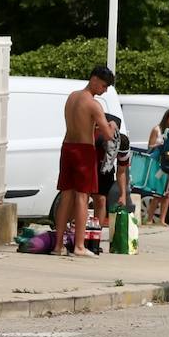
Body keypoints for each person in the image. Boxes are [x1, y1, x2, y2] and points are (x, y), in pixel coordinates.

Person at [53, 65, 116, 257]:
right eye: (104, 86)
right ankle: (79, 246)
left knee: (66, 196)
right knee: (82, 196)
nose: (104, 90)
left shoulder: (72, 96)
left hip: (67, 147)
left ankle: (58, 246)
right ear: (94, 79)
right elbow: (107, 135)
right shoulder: (93, 104)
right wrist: (111, 124)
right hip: (83, 150)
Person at [91, 114, 129, 243]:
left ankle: (96, 236)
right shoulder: (95, 138)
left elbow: (122, 171)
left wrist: (123, 195)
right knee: (81, 199)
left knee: (101, 200)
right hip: (90, 166)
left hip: (105, 170)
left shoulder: (123, 143)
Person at [146, 109, 169, 225]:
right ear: (167, 118)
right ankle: (149, 219)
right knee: (157, 193)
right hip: (158, 164)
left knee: (167, 193)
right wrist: (159, 145)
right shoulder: (157, 129)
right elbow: (149, 146)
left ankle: (162, 220)